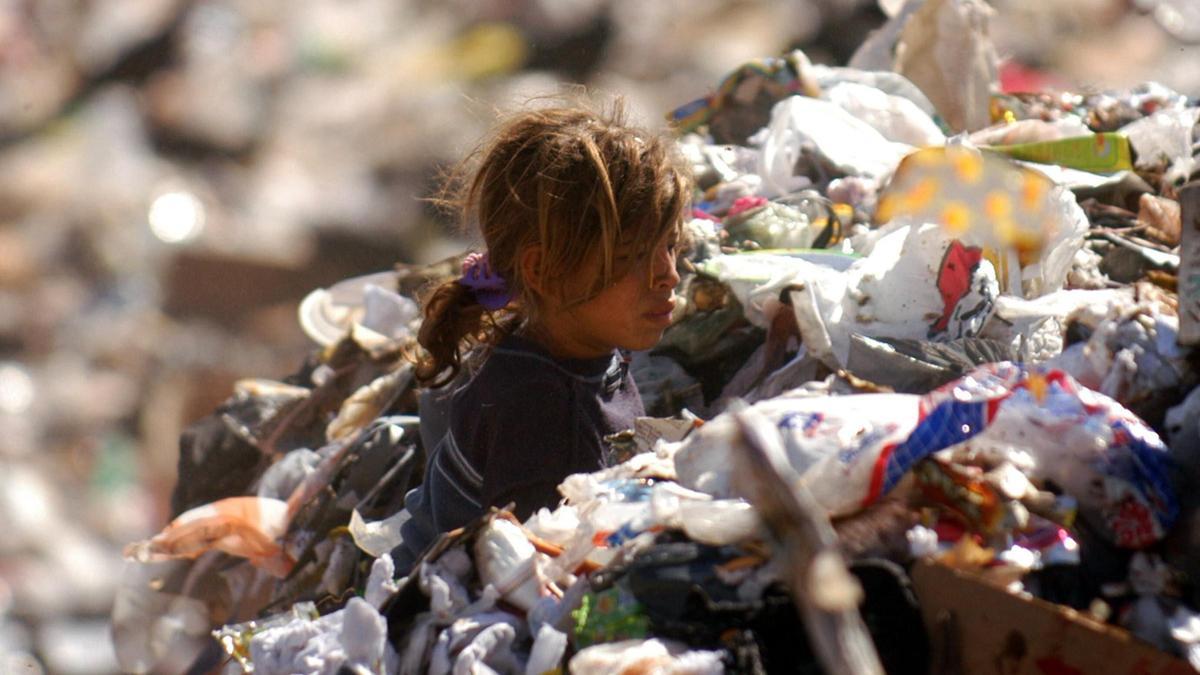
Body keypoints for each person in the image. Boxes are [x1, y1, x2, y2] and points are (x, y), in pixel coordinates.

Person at [391, 101, 692, 573]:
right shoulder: (539, 410)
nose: (669, 275)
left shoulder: (578, 351)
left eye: (671, 246)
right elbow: (535, 577)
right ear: (543, 271)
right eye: (634, 257)